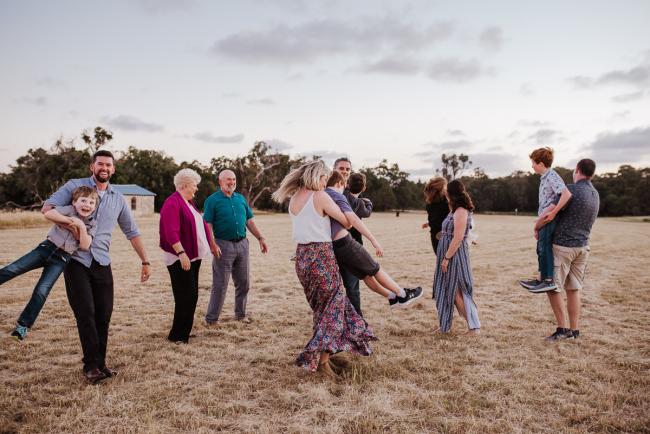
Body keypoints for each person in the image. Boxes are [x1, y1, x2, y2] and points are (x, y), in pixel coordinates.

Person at [42, 150, 151, 384]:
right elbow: (47, 207)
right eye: (100, 163)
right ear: (92, 166)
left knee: (104, 314)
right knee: (86, 312)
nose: (104, 167)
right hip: (75, 260)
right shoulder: (75, 186)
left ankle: (101, 363)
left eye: (108, 165)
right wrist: (73, 224)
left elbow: (132, 232)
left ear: (113, 169)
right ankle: (90, 366)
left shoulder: (118, 198)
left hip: (102, 260)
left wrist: (145, 261)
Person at [272, 160, 375, 379]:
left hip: (302, 258)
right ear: (317, 177)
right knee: (333, 309)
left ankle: (325, 359)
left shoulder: (293, 200)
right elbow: (346, 222)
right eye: (323, 178)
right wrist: (345, 205)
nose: (325, 182)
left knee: (322, 309)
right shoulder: (320, 196)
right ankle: (321, 362)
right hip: (321, 256)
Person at [3, 186, 98, 341]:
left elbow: (85, 245)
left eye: (91, 202)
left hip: (61, 259)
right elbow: (49, 212)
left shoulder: (92, 224)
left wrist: (80, 226)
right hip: (45, 249)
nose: (87, 204)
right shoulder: (68, 210)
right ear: (74, 202)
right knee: (13, 268)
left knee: (42, 290)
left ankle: (22, 327)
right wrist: (70, 222)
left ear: (95, 206)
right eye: (83, 200)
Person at [325, 171, 423, 308]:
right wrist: (373, 240)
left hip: (333, 247)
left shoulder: (321, 196)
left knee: (365, 276)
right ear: (340, 183)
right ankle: (403, 295)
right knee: (375, 269)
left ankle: (392, 297)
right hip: (346, 243)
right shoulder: (337, 195)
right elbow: (352, 220)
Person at [203, 169, 268, 326]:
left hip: (242, 245)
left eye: (233, 179)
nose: (231, 182)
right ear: (220, 182)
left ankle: (240, 314)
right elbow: (207, 225)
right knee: (220, 284)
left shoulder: (240, 199)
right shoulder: (212, 200)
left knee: (244, 283)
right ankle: (211, 320)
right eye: (228, 180)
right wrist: (212, 244)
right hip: (222, 245)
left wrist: (260, 237)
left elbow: (250, 221)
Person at [544, 159, 599, 340]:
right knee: (574, 290)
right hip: (583, 247)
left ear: (577, 170)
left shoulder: (571, 190)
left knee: (552, 287)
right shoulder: (595, 194)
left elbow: (551, 211)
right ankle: (574, 331)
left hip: (563, 246)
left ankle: (561, 329)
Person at [159, 168, 213, 344]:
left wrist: (212, 244)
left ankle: (183, 331)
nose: (196, 189)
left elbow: (202, 224)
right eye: (194, 185)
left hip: (193, 256)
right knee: (185, 295)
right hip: (179, 257)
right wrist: (181, 253)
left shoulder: (188, 202)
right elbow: (171, 232)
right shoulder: (172, 203)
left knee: (191, 295)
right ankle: (177, 336)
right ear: (184, 185)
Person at [519, 147, 572, 293]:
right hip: (544, 217)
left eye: (533, 163)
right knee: (540, 248)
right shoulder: (545, 177)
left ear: (541, 164)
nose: (532, 166)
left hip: (549, 218)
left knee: (545, 247)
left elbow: (566, 194)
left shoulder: (552, 176)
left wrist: (554, 212)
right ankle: (541, 279)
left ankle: (548, 280)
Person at [433, 180, 480, 334]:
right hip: (446, 252)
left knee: (456, 291)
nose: (444, 191)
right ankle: (445, 326)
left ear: (451, 192)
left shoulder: (461, 211)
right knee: (447, 289)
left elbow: (458, 237)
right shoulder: (453, 209)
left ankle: (473, 327)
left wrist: (446, 258)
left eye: (446, 190)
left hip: (454, 255)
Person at [334, 157, 373, 316]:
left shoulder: (352, 196)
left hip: (352, 246)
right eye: (341, 168)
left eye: (347, 169)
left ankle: (356, 320)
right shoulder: (327, 191)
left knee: (352, 286)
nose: (344, 171)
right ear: (334, 169)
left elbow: (363, 213)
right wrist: (366, 202)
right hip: (330, 245)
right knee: (332, 287)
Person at [422, 177, 449, 254]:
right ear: (442, 187)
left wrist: (429, 223)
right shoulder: (446, 201)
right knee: (447, 260)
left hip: (434, 234)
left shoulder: (430, 202)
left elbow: (437, 216)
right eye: (446, 186)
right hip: (445, 234)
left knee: (440, 258)